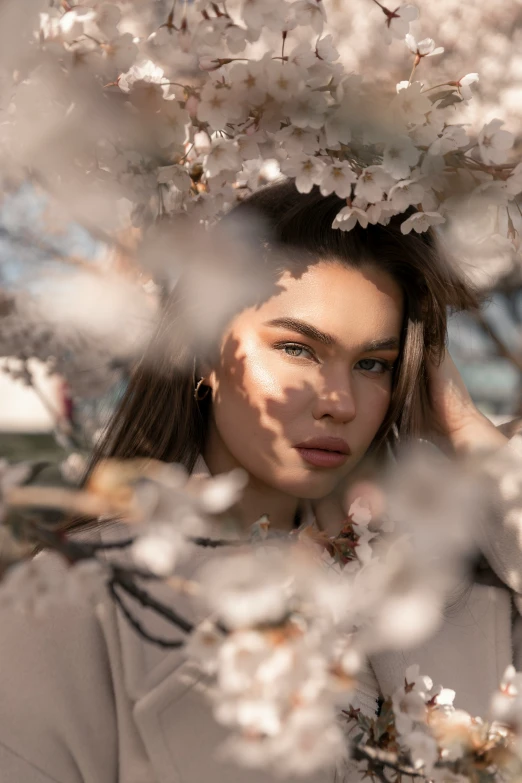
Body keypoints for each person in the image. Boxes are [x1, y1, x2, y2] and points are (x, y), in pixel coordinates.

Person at [0, 180, 521, 783]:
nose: (338, 402)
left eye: (372, 364)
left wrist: (466, 430)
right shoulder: (79, 596)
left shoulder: (449, 583)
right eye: (298, 349)